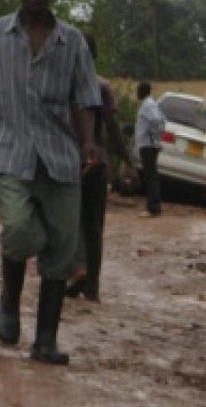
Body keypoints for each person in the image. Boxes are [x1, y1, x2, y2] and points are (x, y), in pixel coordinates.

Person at [0, 0, 101, 365]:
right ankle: (9, 298)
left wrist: (89, 143)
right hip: (10, 148)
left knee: (61, 246)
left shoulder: (72, 42)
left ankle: (45, 339)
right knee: (21, 229)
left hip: (60, 154)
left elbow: (85, 99)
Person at [65, 34, 131, 302]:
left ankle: (75, 270)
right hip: (98, 163)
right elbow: (112, 129)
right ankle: (92, 287)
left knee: (69, 222)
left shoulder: (63, 83)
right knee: (94, 226)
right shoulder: (102, 86)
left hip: (67, 163)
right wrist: (126, 160)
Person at [135, 81, 166, 218]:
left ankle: (153, 207)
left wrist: (154, 138)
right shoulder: (151, 104)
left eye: (138, 90)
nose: (137, 93)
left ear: (143, 91)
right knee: (151, 176)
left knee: (150, 176)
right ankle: (153, 206)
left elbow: (156, 120)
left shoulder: (148, 105)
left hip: (148, 145)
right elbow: (163, 120)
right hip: (148, 144)